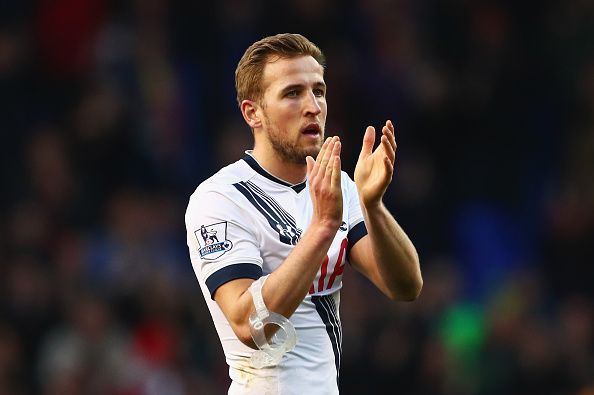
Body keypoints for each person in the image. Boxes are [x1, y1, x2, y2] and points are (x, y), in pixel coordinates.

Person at [185, 33, 422, 394]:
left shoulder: (336, 186)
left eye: (319, 91)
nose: (313, 106)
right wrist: (323, 226)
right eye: (292, 93)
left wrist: (373, 206)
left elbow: (406, 286)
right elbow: (251, 327)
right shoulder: (220, 198)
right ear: (253, 113)